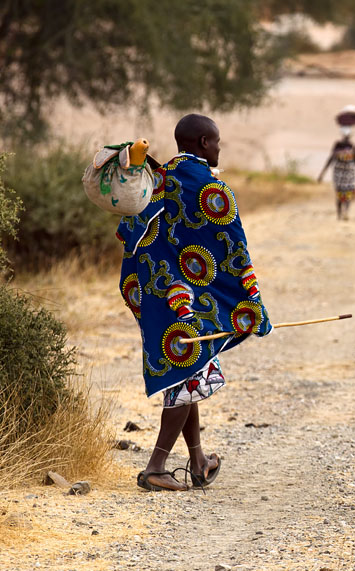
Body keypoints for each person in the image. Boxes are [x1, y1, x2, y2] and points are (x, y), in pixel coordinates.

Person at [117, 114, 272, 492]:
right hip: (186, 299)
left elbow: (131, 231)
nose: (219, 148)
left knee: (189, 370)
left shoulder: (156, 179)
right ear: (204, 142)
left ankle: (198, 461)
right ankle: (155, 466)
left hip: (156, 290)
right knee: (189, 370)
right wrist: (251, 305)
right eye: (217, 141)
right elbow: (233, 249)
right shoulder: (210, 188)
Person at [318, 128, 355, 220]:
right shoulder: (354, 147)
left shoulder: (337, 146)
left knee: (340, 193)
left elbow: (330, 159)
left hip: (339, 173)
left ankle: (340, 214)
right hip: (348, 173)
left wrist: (322, 173)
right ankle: (345, 212)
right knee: (346, 193)